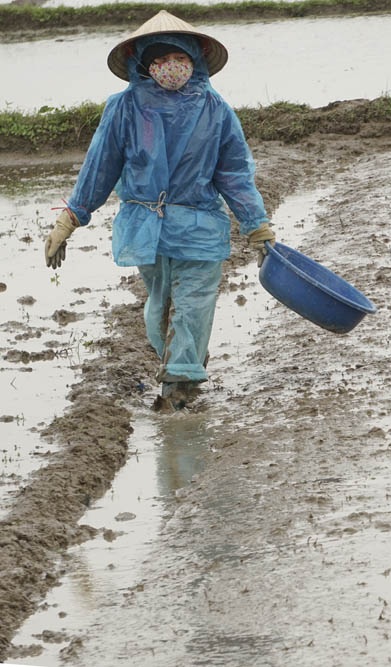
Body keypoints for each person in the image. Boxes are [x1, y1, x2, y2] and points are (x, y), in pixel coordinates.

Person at [42, 10, 275, 411]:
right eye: (161, 58)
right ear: (146, 65)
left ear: (194, 59)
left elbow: (234, 173)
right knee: (159, 309)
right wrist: (71, 217)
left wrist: (257, 227)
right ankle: (184, 361)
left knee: (194, 304)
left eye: (179, 57)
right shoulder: (125, 108)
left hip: (200, 224)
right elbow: (100, 166)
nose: (172, 66)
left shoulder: (215, 110)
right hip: (146, 227)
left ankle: (179, 387)